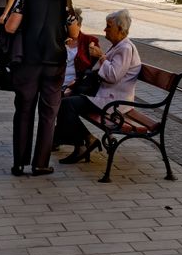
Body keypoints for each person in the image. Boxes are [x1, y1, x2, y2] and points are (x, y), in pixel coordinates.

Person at [3, 0, 79, 176]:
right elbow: (74, 33)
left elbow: (10, 26)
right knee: (48, 114)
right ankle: (40, 163)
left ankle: (19, 163)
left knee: (24, 111)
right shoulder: (65, 1)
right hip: (54, 63)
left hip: (27, 62)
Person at [56, 9, 142, 164]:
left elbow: (112, 76)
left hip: (114, 102)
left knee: (66, 105)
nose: (105, 30)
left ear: (120, 30)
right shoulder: (118, 46)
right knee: (66, 101)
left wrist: (101, 57)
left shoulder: (125, 48)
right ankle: (83, 140)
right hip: (106, 97)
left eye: (109, 26)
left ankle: (84, 142)